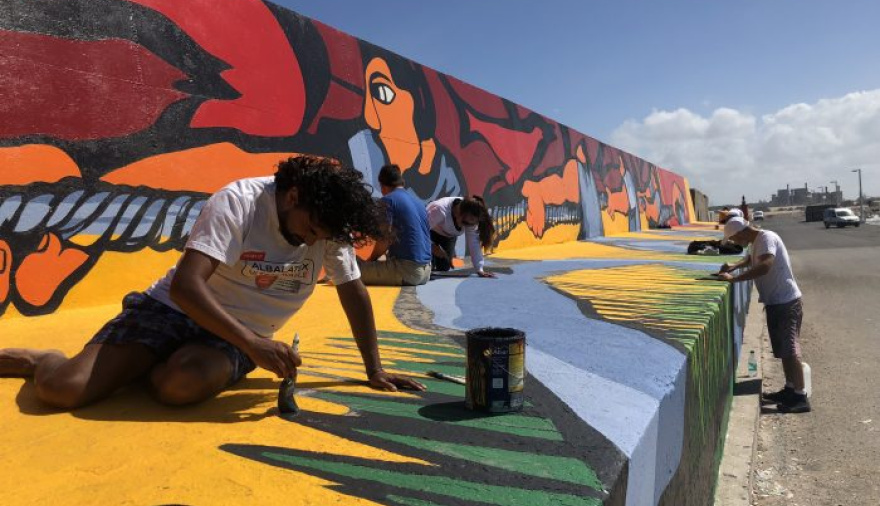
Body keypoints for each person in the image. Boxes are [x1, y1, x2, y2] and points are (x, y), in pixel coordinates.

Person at [0, 155, 425, 409]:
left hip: (234, 334)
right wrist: (254, 345)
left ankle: (142, 361)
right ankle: (41, 360)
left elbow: (353, 291)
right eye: (310, 229)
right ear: (293, 197)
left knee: (179, 388)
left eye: (322, 236)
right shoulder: (240, 202)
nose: (313, 243)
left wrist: (374, 369)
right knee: (63, 390)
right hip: (174, 309)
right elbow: (186, 287)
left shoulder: (326, 227)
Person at [716, 217, 810, 413]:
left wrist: (734, 279)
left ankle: (801, 397)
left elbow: (765, 265)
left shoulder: (766, 238)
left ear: (741, 232)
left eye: (734, 238)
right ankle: (790, 389)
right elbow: (751, 259)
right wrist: (734, 266)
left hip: (786, 302)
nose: (734, 242)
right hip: (776, 301)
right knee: (783, 350)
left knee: (790, 349)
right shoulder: (756, 242)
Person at [358, 165, 432, 286]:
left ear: (382, 186)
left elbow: (384, 239)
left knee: (350, 270)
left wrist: (371, 260)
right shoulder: (419, 203)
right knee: (384, 258)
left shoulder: (388, 200)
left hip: (407, 271)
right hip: (426, 271)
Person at [427, 195, 496, 278]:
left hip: (448, 236)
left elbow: (473, 243)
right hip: (429, 232)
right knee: (426, 267)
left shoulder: (471, 216)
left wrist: (479, 269)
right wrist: (432, 246)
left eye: (475, 222)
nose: (472, 224)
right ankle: (430, 259)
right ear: (461, 212)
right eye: (471, 220)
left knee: (444, 266)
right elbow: (420, 232)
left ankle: (439, 257)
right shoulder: (439, 210)